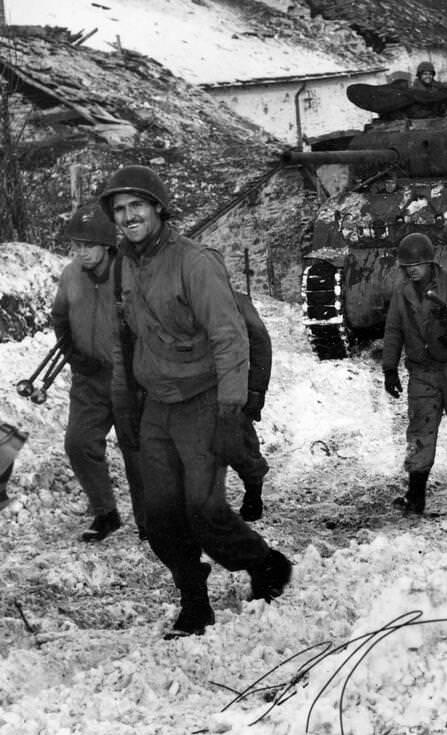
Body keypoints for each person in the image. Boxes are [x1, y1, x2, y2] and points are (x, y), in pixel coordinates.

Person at [102, 165, 290, 639]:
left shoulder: (195, 262)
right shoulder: (125, 264)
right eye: (120, 210)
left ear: (159, 208)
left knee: (204, 511)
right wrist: (128, 408)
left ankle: (265, 564)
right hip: (158, 406)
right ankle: (194, 602)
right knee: (160, 515)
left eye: (137, 206)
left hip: (204, 400)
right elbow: (128, 342)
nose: (128, 217)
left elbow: (230, 338)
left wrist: (232, 411)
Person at [51, 201, 145, 542]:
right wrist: (74, 353)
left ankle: (150, 521)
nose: (80, 253)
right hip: (88, 377)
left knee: (137, 451)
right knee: (79, 443)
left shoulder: (130, 272)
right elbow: (60, 317)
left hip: (128, 377)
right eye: (75, 246)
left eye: (86, 246)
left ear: (107, 245)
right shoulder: (71, 275)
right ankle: (106, 513)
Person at [381, 233, 447, 512]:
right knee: (419, 428)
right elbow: (393, 330)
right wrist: (390, 368)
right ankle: (416, 493)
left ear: (430, 262)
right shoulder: (402, 293)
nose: (412, 269)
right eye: (407, 266)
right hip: (422, 370)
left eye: (417, 264)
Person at [232, 291, 270, 522]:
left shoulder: (236, 301)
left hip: (232, 384)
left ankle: (253, 491)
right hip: (191, 385)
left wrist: (256, 389)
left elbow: (260, 342)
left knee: (240, 442)